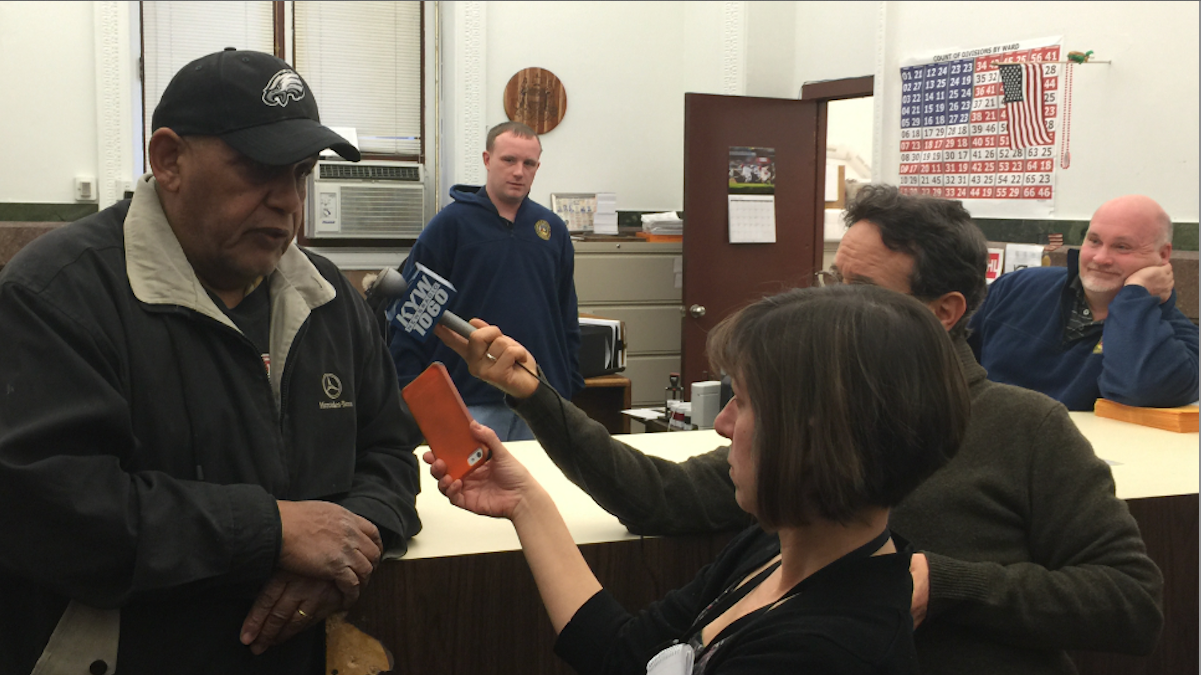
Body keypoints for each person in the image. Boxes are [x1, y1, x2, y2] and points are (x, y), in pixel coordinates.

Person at [436, 184, 1164, 675]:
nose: (830, 308)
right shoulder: (784, 489)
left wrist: (946, 582)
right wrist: (533, 399)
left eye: (858, 293)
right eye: (830, 281)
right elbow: (657, 502)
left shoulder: (1024, 428)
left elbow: (1129, 603)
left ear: (941, 312)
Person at [0, 49, 422, 674]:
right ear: (168, 159)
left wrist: (348, 545)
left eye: (301, 173)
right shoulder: (56, 294)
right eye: (258, 168)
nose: (287, 202)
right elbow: (49, 509)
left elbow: (388, 455)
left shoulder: (330, 302)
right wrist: (271, 532)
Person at [430, 285, 971, 674]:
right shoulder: (771, 550)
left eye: (744, 402)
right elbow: (624, 655)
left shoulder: (828, 651)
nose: (721, 423)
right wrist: (525, 500)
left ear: (813, 437)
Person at [389, 121, 583, 442]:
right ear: (487, 159)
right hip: (468, 400)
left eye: (528, 163)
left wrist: (568, 385)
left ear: (537, 167)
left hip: (540, 400)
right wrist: (410, 388)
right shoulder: (450, 226)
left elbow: (566, 316)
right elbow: (411, 316)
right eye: (509, 160)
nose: (519, 171)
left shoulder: (552, 230)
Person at [969, 194, 1198, 411]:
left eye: (1122, 247)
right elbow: (948, 355)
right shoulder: (1017, 288)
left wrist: (1134, 298)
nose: (1100, 258)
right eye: (1094, 241)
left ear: (1164, 255)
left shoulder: (1182, 343)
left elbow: (1138, 391)